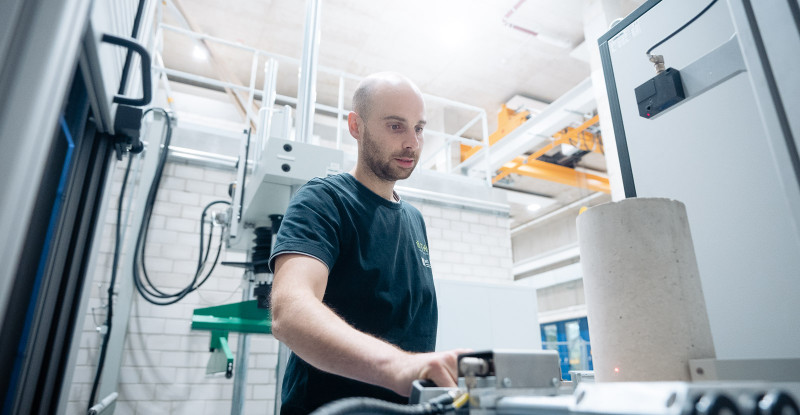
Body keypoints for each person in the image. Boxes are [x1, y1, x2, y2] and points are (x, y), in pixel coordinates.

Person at [269, 72, 465, 414]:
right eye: (395, 126)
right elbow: (289, 309)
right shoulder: (324, 200)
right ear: (356, 126)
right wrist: (398, 368)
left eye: (418, 128)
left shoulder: (414, 219)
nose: (412, 143)